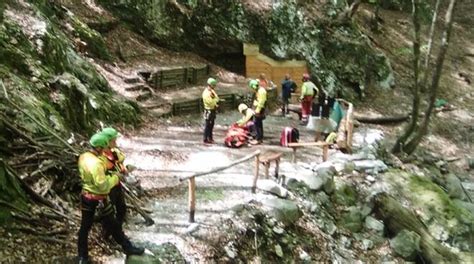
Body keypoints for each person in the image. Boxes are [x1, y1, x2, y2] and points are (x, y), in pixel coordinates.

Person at [77, 133, 143, 263]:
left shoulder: (83, 157)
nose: (105, 150)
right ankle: (127, 247)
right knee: (112, 224)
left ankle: (82, 257)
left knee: (85, 227)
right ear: (99, 148)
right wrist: (116, 177)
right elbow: (103, 186)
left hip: (86, 196)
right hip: (99, 198)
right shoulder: (96, 163)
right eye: (104, 147)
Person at [100, 127, 127, 232]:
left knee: (122, 209)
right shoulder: (101, 157)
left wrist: (123, 169)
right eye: (114, 140)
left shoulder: (114, 152)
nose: (115, 142)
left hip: (117, 186)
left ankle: (118, 231)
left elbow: (118, 163)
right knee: (109, 214)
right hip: (108, 188)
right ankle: (108, 234)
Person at [249, 79, 267, 144]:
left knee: (258, 124)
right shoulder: (258, 90)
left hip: (259, 109)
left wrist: (257, 110)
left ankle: (259, 139)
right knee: (257, 123)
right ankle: (258, 138)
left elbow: (261, 102)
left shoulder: (261, 91)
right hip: (257, 109)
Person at [202, 77, 219, 144]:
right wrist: (215, 102)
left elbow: (217, 98)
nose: (214, 86)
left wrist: (215, 101)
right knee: (208, 125)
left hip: (213, 109)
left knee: (212, 125)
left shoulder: (212, 91)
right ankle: (205, 138)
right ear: (210, 85)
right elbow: (209, 101)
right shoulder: (206, 93)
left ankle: (210, 137)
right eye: (214, 85)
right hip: (208, 110)